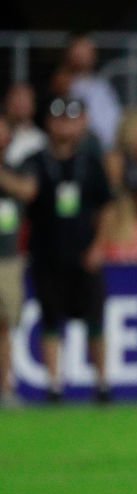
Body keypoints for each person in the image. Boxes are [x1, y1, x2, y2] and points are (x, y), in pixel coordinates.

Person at [17, 97, 113, 403]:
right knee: (50, 321)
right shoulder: (36, 160)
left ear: (81, 122)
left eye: (71, 119)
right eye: (59, 119)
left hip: (84, 256)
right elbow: (27, 190)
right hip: (47, 255)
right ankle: (54, 385)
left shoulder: (90, 161)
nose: (65, 126)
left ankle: (102, 383)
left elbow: (107, 208)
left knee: (95, 322)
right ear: (49, 123)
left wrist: (99, 246)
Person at [0, 117, 28, 406]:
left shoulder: (17, 168)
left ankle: (5, 388)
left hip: (7, 259)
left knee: (5, 324)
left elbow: (27, 190)